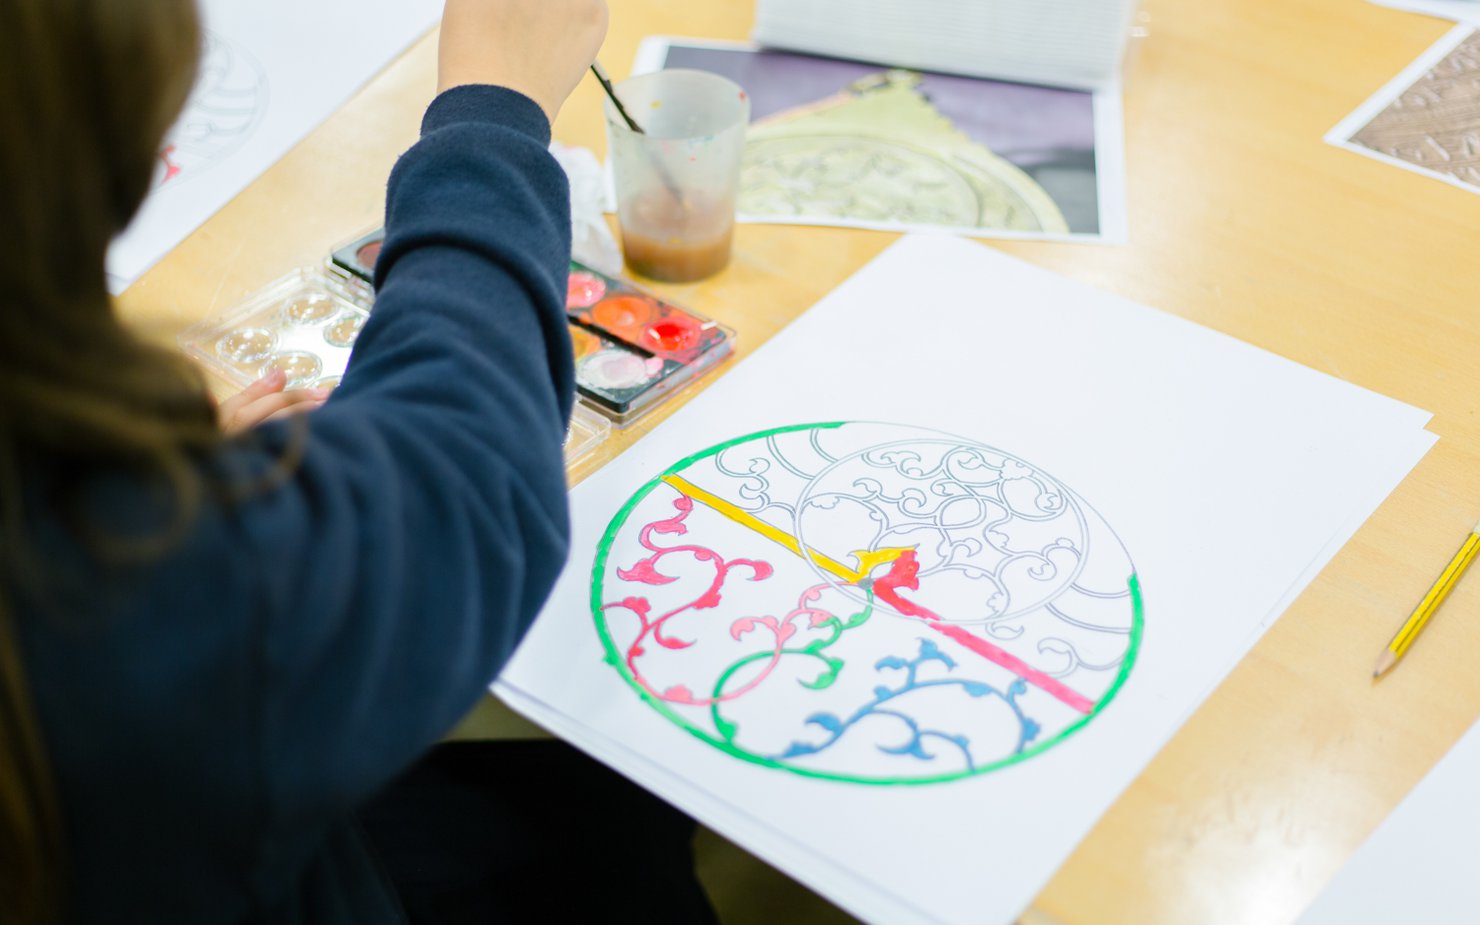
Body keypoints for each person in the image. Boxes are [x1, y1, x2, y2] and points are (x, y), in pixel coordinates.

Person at [0, 1, 717, 922]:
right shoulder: (133, 588)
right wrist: (493, 109)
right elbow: (465, 462)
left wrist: (126, 457)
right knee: (603, 813)